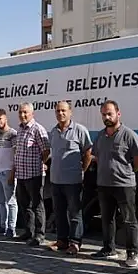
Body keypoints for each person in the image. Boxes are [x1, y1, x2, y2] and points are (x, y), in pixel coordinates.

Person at [91, 100, 138, 267]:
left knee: (129, 220)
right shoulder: (100, 135)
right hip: (104, 184)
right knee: (107, 218)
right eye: (104, 114)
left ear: (118, 114)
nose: (107, 117)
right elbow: (97, 157)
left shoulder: (129, 135)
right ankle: (109, 249)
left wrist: (125, 173)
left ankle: (132, 253)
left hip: (124, 185)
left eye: (110, 114)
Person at [48, 101, 92, 255]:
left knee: (74, 213)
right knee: (59, 212)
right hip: (55, 180)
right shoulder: (53, 132)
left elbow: (88, 152)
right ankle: (62, 240)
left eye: (63, 110)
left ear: (70, 112)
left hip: (73, 181)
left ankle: (75, 242)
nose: (60, 113)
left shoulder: (79, 130)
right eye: (58, 111)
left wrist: (82, 170)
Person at [13, 102, 51, 246]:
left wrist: (41, 164)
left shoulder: (37, 129)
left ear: (32, 114)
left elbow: (46, 151)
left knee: (37, 205)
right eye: (21, 112)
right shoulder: (20, 129)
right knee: (24, 205)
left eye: (25, 112)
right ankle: (28, 231)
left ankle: (39, 235)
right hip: (21, 174)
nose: (22, 115)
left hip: (34, 174)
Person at [0, 108, 18, 237]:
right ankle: (3, 225)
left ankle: (12, 228)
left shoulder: (13, 134)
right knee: (1, 201)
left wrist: (13, 172)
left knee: (11, 201)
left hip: (7, 171)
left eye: (0, 118)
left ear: (5, 118)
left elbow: (16, 154)